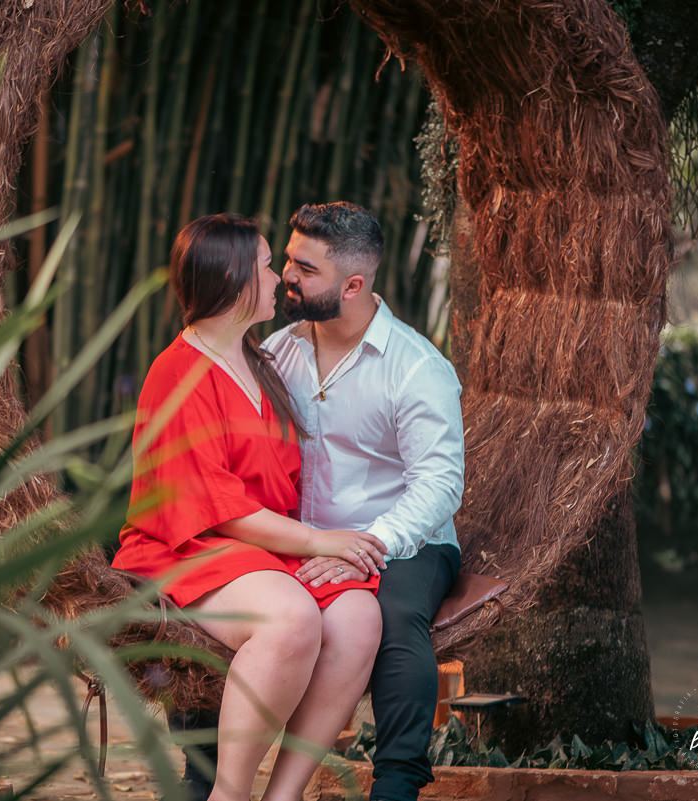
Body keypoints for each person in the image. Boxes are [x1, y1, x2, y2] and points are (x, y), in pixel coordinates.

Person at [111, 213, 388, 801]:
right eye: (266, 266)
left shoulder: (261, 361)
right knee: (289, 619)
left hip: (260, 549)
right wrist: (321, 541)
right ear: (233, 279)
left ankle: (283, 794)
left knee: (359, 619)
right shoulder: (177, 373)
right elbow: (218, 508)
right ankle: (230, 794)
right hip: (188, 546)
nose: (280, 277)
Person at [266, 201, 464, 801]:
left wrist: (369, 545)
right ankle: (202, 778)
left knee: (397, 619)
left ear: (353, 286)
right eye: (288, 259)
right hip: (300, 537)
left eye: (305, 269)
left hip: (405, 539)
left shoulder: (416, 367)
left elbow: (439, 483)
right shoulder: (276, 352)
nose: (285, 275)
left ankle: (396, 786)